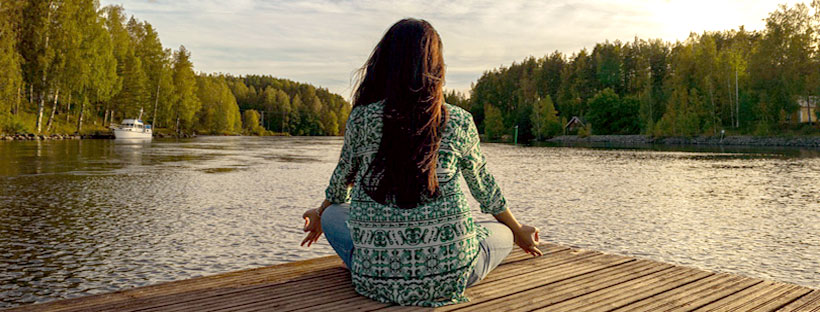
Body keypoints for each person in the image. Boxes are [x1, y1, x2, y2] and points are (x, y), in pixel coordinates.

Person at [299, 18, 541, 307]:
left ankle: (367, 261)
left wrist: (319, 212)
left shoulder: (362, 118)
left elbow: (341, 185)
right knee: (500, 231)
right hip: (453, 275)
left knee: (333, 214)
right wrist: (518, 231)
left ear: (384, 64)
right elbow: (484, 187)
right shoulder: (459, 120)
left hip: (374, 280)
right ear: (436, 67)